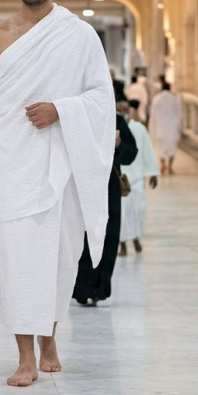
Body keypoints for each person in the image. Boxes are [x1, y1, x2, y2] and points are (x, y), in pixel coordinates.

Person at [0, 0, 116, 387]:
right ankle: (24, 355)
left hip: (62, 163)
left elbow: (102, 100)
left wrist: (61, 109)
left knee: (58, 255)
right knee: (15, 257)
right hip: (13, 163)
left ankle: (49, 338)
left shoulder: (80, 35)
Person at [73, 109, 136, 306]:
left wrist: (118, 144)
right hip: (80, 185)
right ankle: (81, 288)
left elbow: (130, 155)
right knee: (81, 236)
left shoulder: (115, 120)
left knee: (108, 237)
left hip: (109, 187)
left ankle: (100, 288)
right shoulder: (77, 116)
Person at [118, 99, 159, 256]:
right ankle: (122, 245)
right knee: (121, 214)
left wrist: (153, 173)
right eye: (119, 109)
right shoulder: (111, 126)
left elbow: (147, 150)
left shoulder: (139, 129)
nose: (123, 112)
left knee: (138, 210)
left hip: (136, 178)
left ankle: (136, 239)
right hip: (120, 178)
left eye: (125, 109)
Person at [149, 82, 181, 174]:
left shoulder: (157, 99)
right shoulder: (174, 99)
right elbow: (179, 114)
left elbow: (153, 115)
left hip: (160, 126)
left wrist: (152, 127)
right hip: (172, 127)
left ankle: (162, 166)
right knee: (172, 147)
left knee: (161, 147)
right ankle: (170, 167)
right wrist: (179, 127)